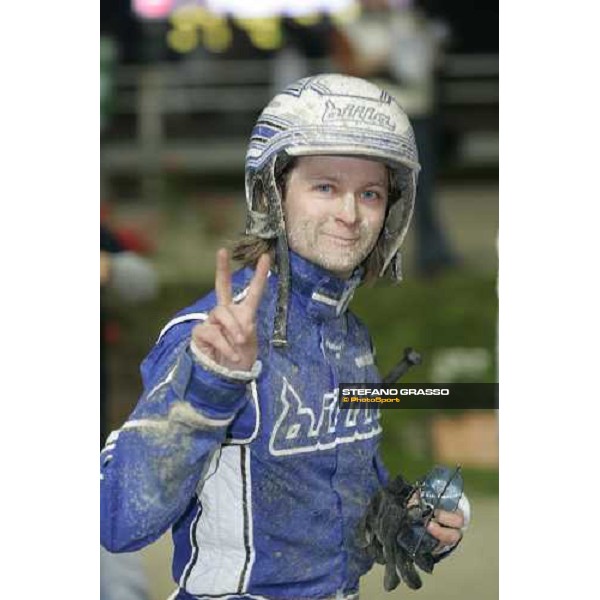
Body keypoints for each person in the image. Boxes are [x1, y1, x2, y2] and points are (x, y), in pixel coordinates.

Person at [100, 74, 469, 600]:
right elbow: (116, 521)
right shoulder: (210, 336)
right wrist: (209, 388)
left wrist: (410, 521)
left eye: (370, 193)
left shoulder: (350, 335)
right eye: (325, 187)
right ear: (272, 193)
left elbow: (342, 489)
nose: (350, 214)